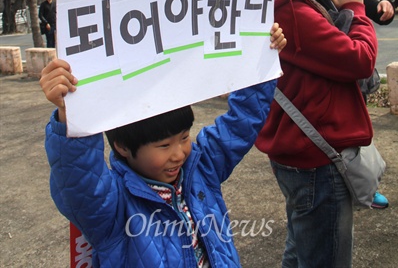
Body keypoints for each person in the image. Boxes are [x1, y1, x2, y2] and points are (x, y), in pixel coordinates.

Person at [40, 23, 286, 268]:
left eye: (184, 137)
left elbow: (240, 123)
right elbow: (79, 178)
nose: (179, 154)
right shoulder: (112, 207)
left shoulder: (201, 168)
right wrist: (70, 112)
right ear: (123, 146)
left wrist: (261, 56)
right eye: (164, 145)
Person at [255, 0, 378, 268]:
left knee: (302, 248)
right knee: (324, 256)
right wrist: (356, 8)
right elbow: (361, 60)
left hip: (297, 151)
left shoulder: (279, 2)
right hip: (316, 161)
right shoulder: (289, 9)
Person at [310, 0, 394, 210]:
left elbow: (372, 9)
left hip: (356, 73)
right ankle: (354, 185)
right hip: (331, 72)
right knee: (336, 138)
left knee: (358, 133)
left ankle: (367, 186)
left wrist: (384, 6)